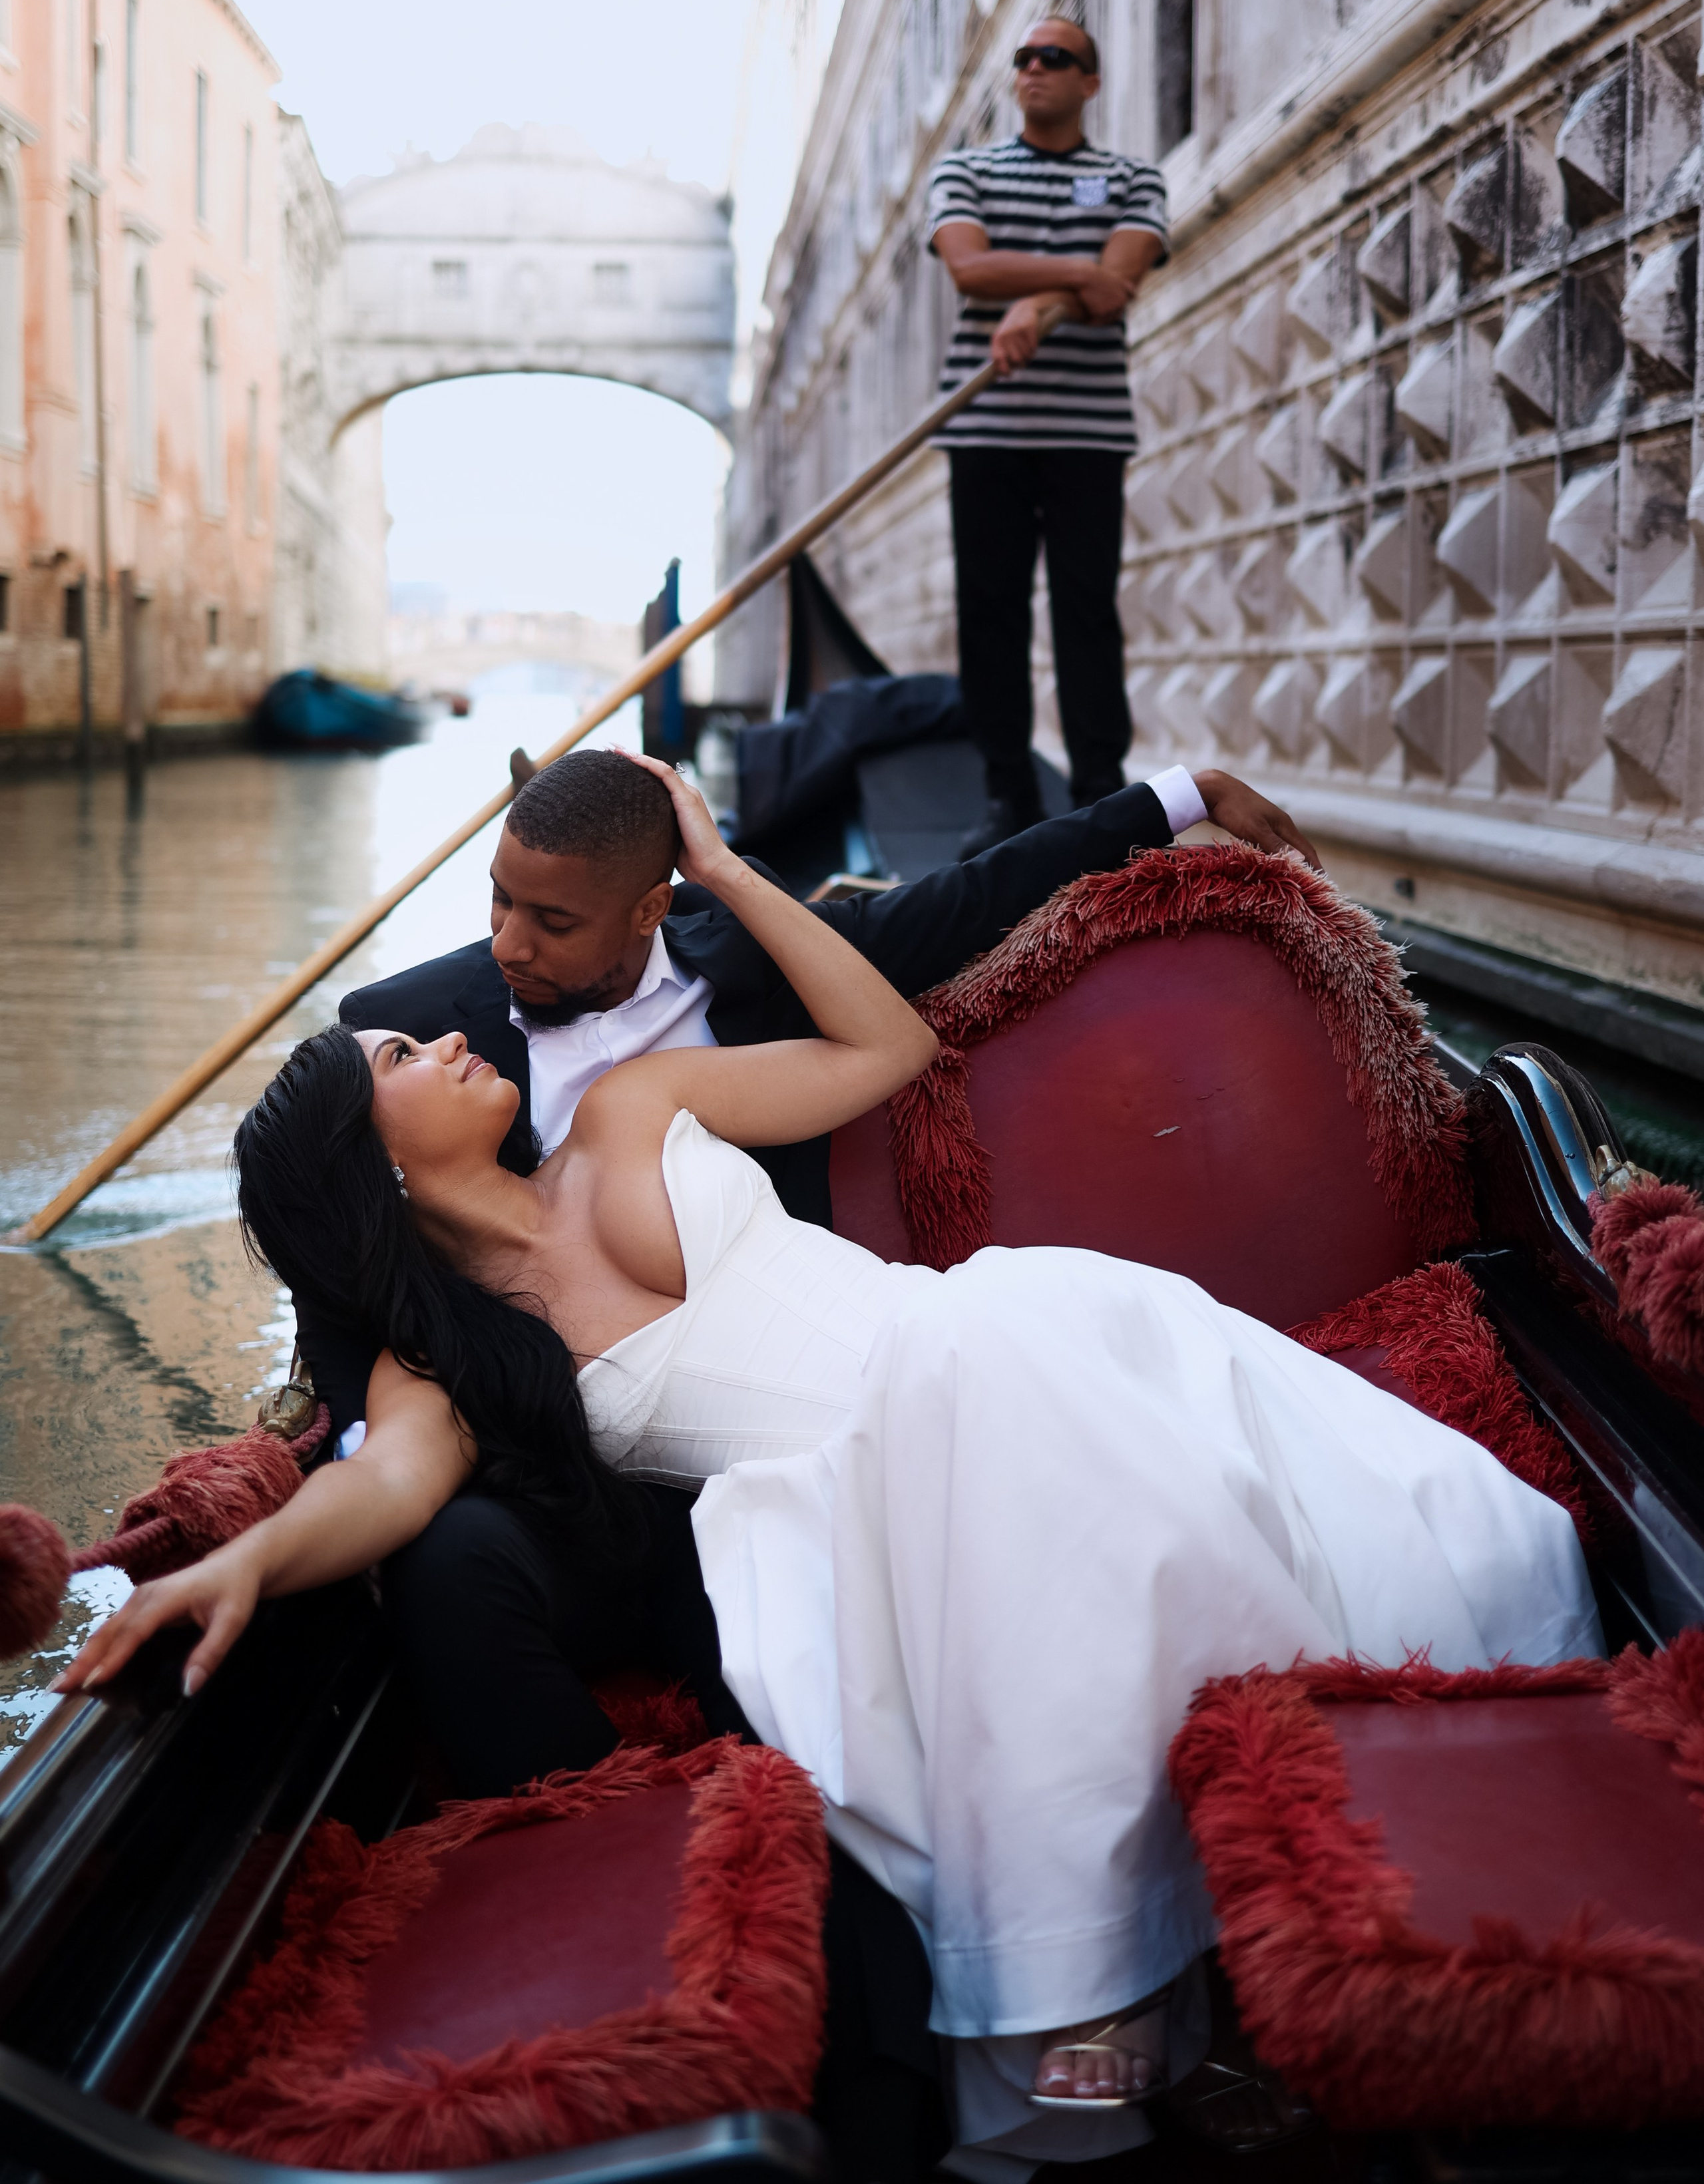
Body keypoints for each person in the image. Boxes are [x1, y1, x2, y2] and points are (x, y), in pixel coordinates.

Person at [61, 756, 1601, 2175]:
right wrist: (242, 1555)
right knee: (1025, 1530)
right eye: (402, 1051)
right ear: (375, 1164)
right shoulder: (453, 1347)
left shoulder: (627, 1104)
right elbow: (383, 1482)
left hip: (966, 1346)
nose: (450, 1023)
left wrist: (721, 873)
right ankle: (1121, 2049)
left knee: (1041, 1434)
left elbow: (892, 1044)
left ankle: (1226, 1971)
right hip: (832, 1494)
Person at [298, 743, 1317, 1801]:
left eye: (551, 923)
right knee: (452, 1559)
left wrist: (1183, 795)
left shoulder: (752, 960)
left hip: (809, 1433)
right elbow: (351, 1265)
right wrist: (370, 1435)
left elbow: (975, 899)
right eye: (499, 902)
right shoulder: (418, 1028)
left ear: (651, 906)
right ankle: (591, 1842)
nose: (509, 944)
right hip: (590, 1472)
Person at [929, 14, 1167, 858]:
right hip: (985, 428)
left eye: (1053, 58)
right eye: (1024, 58)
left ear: (1088, 82)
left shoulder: (1135, 178)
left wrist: (1035, 301)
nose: (1032, 69)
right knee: (989, 617)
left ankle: (1102, 793)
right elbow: (969, 268)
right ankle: (1009, 797)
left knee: (1085, 613)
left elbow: (1121, 285)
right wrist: (1069, 273)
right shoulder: (965, 170)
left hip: (1088, 432)